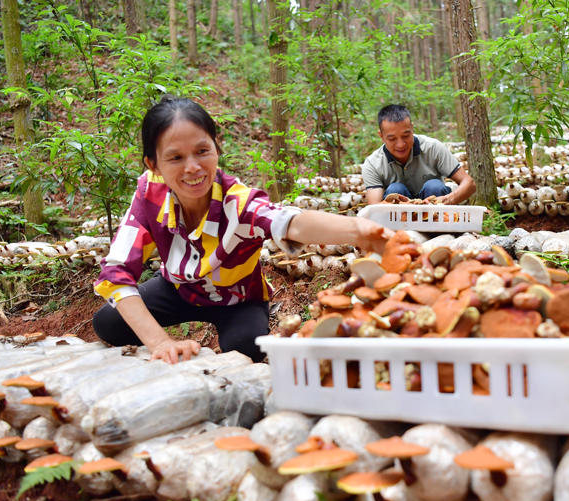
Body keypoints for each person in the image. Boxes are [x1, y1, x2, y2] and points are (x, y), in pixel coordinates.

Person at [92, 95, 393, 364]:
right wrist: (159, 342)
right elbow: (116, 271)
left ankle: (248, 327)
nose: (193, 167)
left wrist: (360, 230)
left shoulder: (238, 202)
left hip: (237, 298)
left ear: (216, 146)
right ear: (153, 164)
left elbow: (291, 223)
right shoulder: (149, 193)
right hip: (178, 289)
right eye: (175, 157)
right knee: (108, 322)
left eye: (202, 151)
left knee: (245, 348)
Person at [362, 104, 476, 205]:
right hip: (398, 219)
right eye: (392, 139)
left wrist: (448, 199)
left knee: (434, 186)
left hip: (437, 214)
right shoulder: (372, 164)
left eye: (406, 136)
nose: (401, 144)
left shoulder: (433, 148)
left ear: (412, 128)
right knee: (395, 190)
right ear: (381, 136)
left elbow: (469, 184)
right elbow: (375, 207)